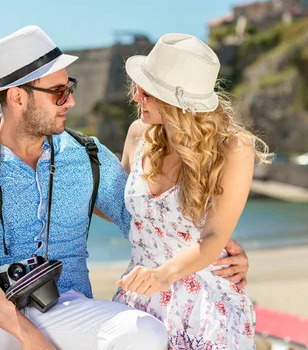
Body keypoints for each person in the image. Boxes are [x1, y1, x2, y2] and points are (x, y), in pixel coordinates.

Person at [0, 26, 251, 350]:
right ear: (18, 97)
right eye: (59, 92)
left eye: (71, 87)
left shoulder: (88, 157)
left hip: (64, 305)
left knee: (142, 332)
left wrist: (218, 252)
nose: (71, 101)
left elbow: (145, 223)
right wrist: (28, 335)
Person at [113, 33, 271, 349]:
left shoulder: (233, 149)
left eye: (144, 91)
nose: (135, 97)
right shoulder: (137, 136)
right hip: (138, 300)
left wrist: (162, 275)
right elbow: (124, 210)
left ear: (171, 101)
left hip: (205, 307)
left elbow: (214, 236)